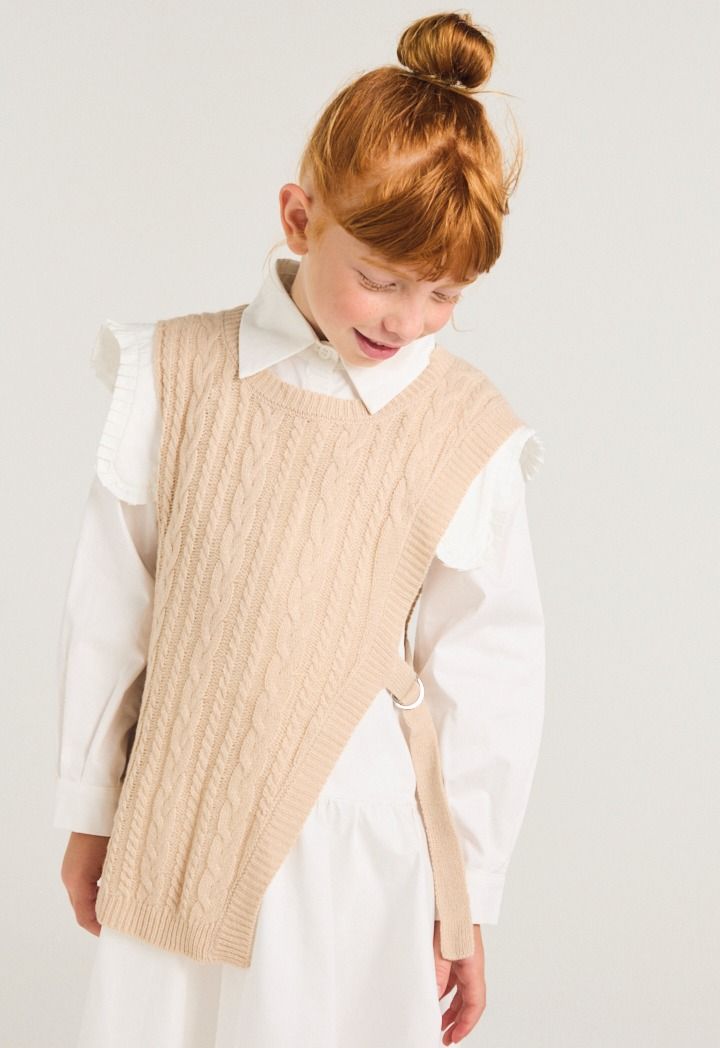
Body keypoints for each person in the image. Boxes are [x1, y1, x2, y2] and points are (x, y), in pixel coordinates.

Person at [54, 11, 546, 1047]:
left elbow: (486, 673)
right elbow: (114, 606)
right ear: (299, 216)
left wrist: (467, 894)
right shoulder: (174, 375)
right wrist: (91, 802)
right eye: (381, 277)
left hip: (355, 853)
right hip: (178, 824)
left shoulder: (466, 431)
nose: (406, 318)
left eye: (444, 294)